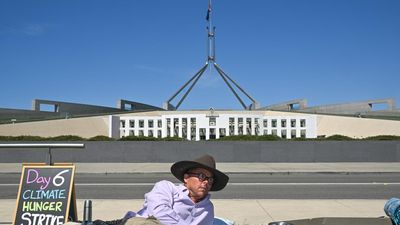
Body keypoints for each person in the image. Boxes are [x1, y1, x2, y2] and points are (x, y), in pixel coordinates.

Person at [124, 154, 229, 225]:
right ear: (186, 177)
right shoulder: (166, 188)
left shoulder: (208, 208)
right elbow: (158, 211)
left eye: (210, 179)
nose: (206, 182)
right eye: (201, 176)